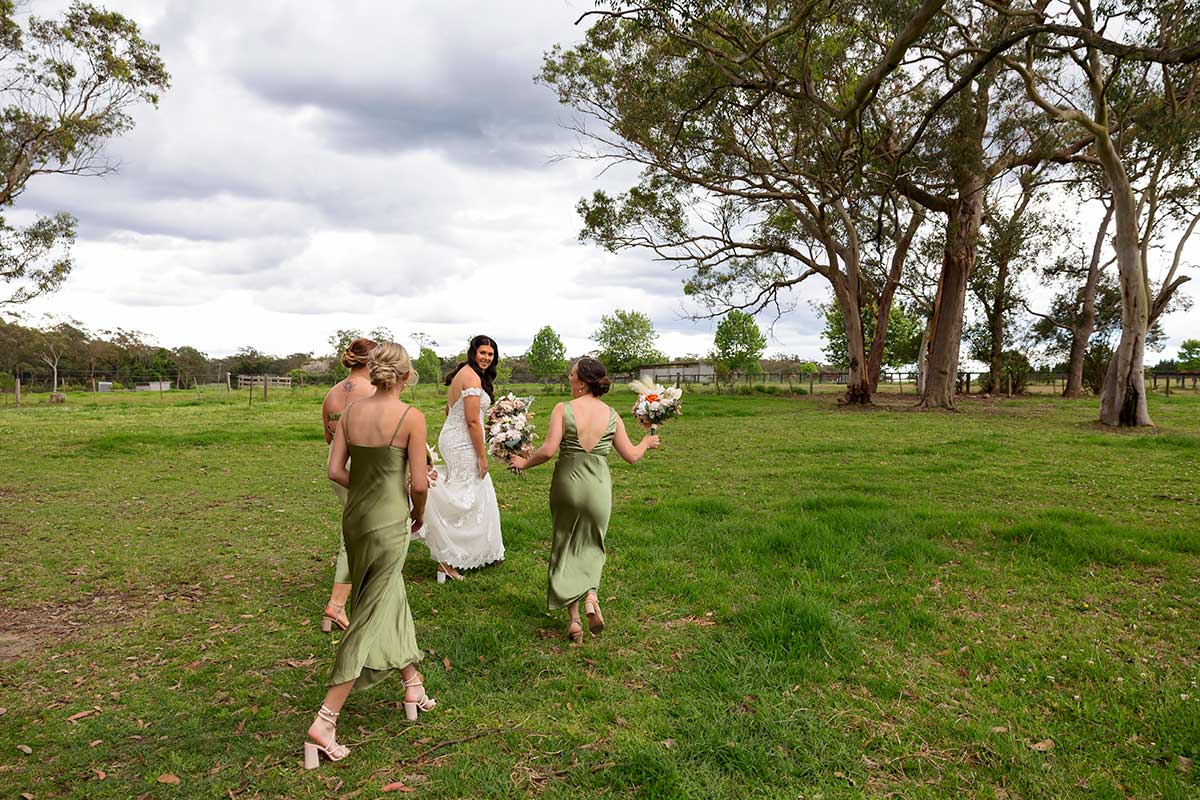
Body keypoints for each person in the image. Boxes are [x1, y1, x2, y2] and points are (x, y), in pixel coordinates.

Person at [305, 342, 436, 769]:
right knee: (367, 615)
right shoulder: (411, 417)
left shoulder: (350, 413)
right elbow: (419, 483)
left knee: (388, 595)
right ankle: (325, 721)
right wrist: (416, 514)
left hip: (355, 519)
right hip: (388, 522)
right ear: (405, 375)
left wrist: (366, 489)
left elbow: (333, 471)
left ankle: (412, 684)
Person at [509, 357, 659, 643]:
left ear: (581, 380)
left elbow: (548, 450)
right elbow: (631, 456)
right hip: (598, 487)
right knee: (593, 544)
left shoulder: (563, 409)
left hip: (568, 485)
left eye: (572, 373)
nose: (569, 376)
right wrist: (647, 443)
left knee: (565, 544)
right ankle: (591, 594)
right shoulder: (612, 414)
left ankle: (575, 620)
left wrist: (523, 462)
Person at [419, 334, 505, 582]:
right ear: (473, 352)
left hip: (455, 437)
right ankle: (446, 560)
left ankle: (482, 551)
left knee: (475, 490)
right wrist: (481, 456)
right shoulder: (470, 376)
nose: (487, 358)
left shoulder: (465, 373)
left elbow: (450, 410)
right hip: (462, 442)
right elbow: (471, 420)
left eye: (490, 354)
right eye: (483, 353)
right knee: (462, 496)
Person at [318, 337, 377, 631]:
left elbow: (329, 438)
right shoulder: (373, 391)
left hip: (336, 463)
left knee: (357, 527)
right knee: (356, 532)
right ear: (371, 360)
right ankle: (337, 605)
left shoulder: (331, 394)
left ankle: (362, 588)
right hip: (362, 463)